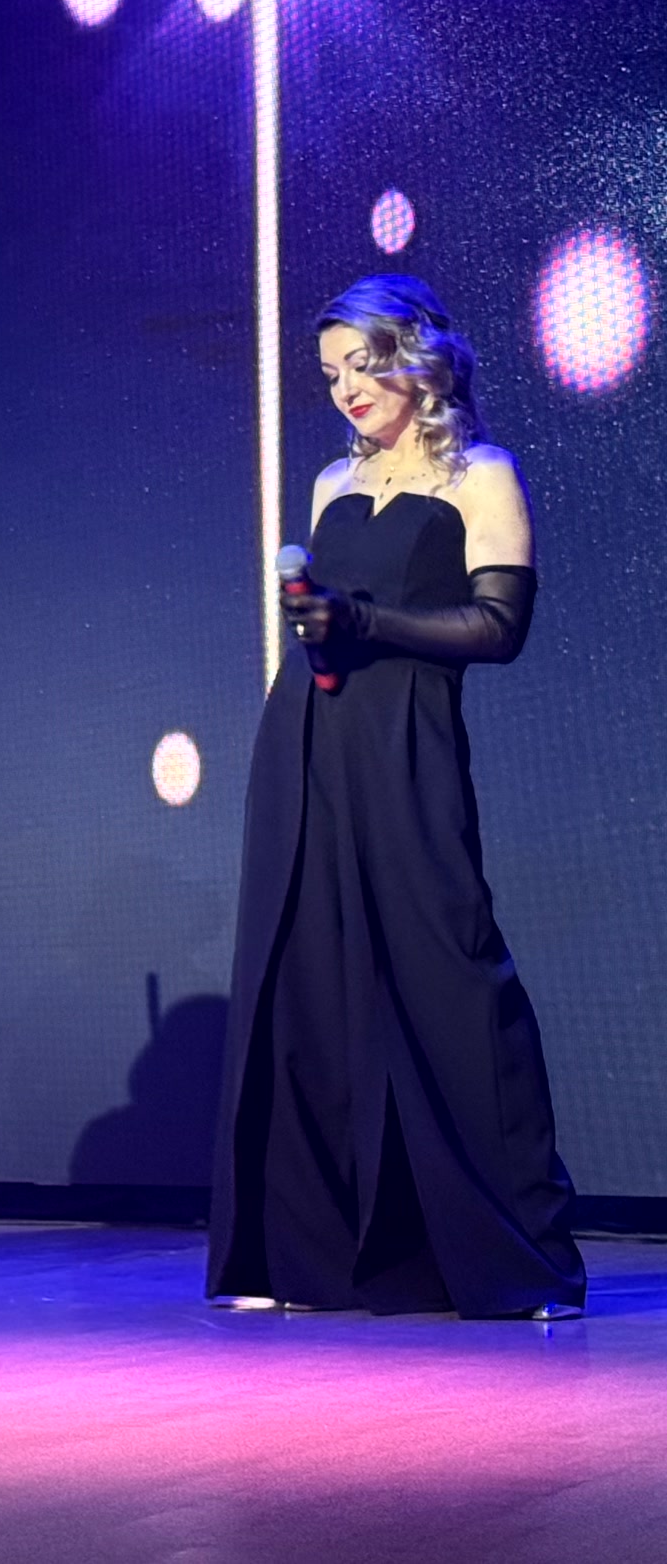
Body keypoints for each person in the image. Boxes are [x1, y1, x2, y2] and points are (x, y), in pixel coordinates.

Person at [208, 274, 584, 1319]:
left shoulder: (480, 475)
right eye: (329, 372)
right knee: (309, 984)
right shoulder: (332, 483)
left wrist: (364, 621)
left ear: (415, 358)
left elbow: (497, 629)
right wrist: (321, 625)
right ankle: (307, 1261)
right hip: (307, 736)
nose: (344, 388)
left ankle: (520, 1262)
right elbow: (323, 626)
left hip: (407, 740)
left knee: (452, 978)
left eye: (361, 364)